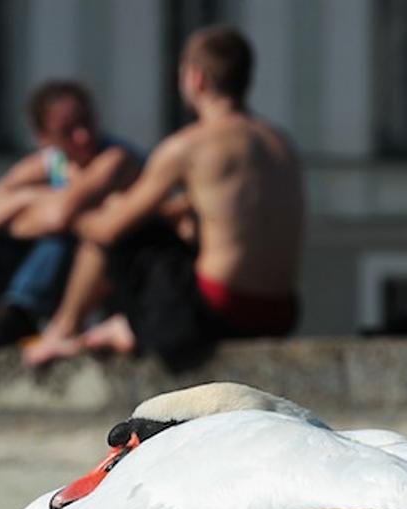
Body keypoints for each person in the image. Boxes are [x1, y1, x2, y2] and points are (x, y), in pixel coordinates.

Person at [21, 25, 304, 369]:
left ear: (196, 79)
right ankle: (125, 328)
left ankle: (64, 330)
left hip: (221, 308)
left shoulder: (188, 146)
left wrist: (74, 209)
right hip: (281, 313)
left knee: (114, 234)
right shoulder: (281, 143)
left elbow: (110, 229)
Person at [0, 80, 142, 366]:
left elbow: (61, 216)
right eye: (68, 130)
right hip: (67, 266)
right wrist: (28, 198)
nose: (83, 136)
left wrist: (20, 210)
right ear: (44, 138)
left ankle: (19, 311)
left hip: (115, 270)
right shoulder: (50, 164)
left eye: (87, 123)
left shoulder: (114, 158)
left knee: (58, 238)